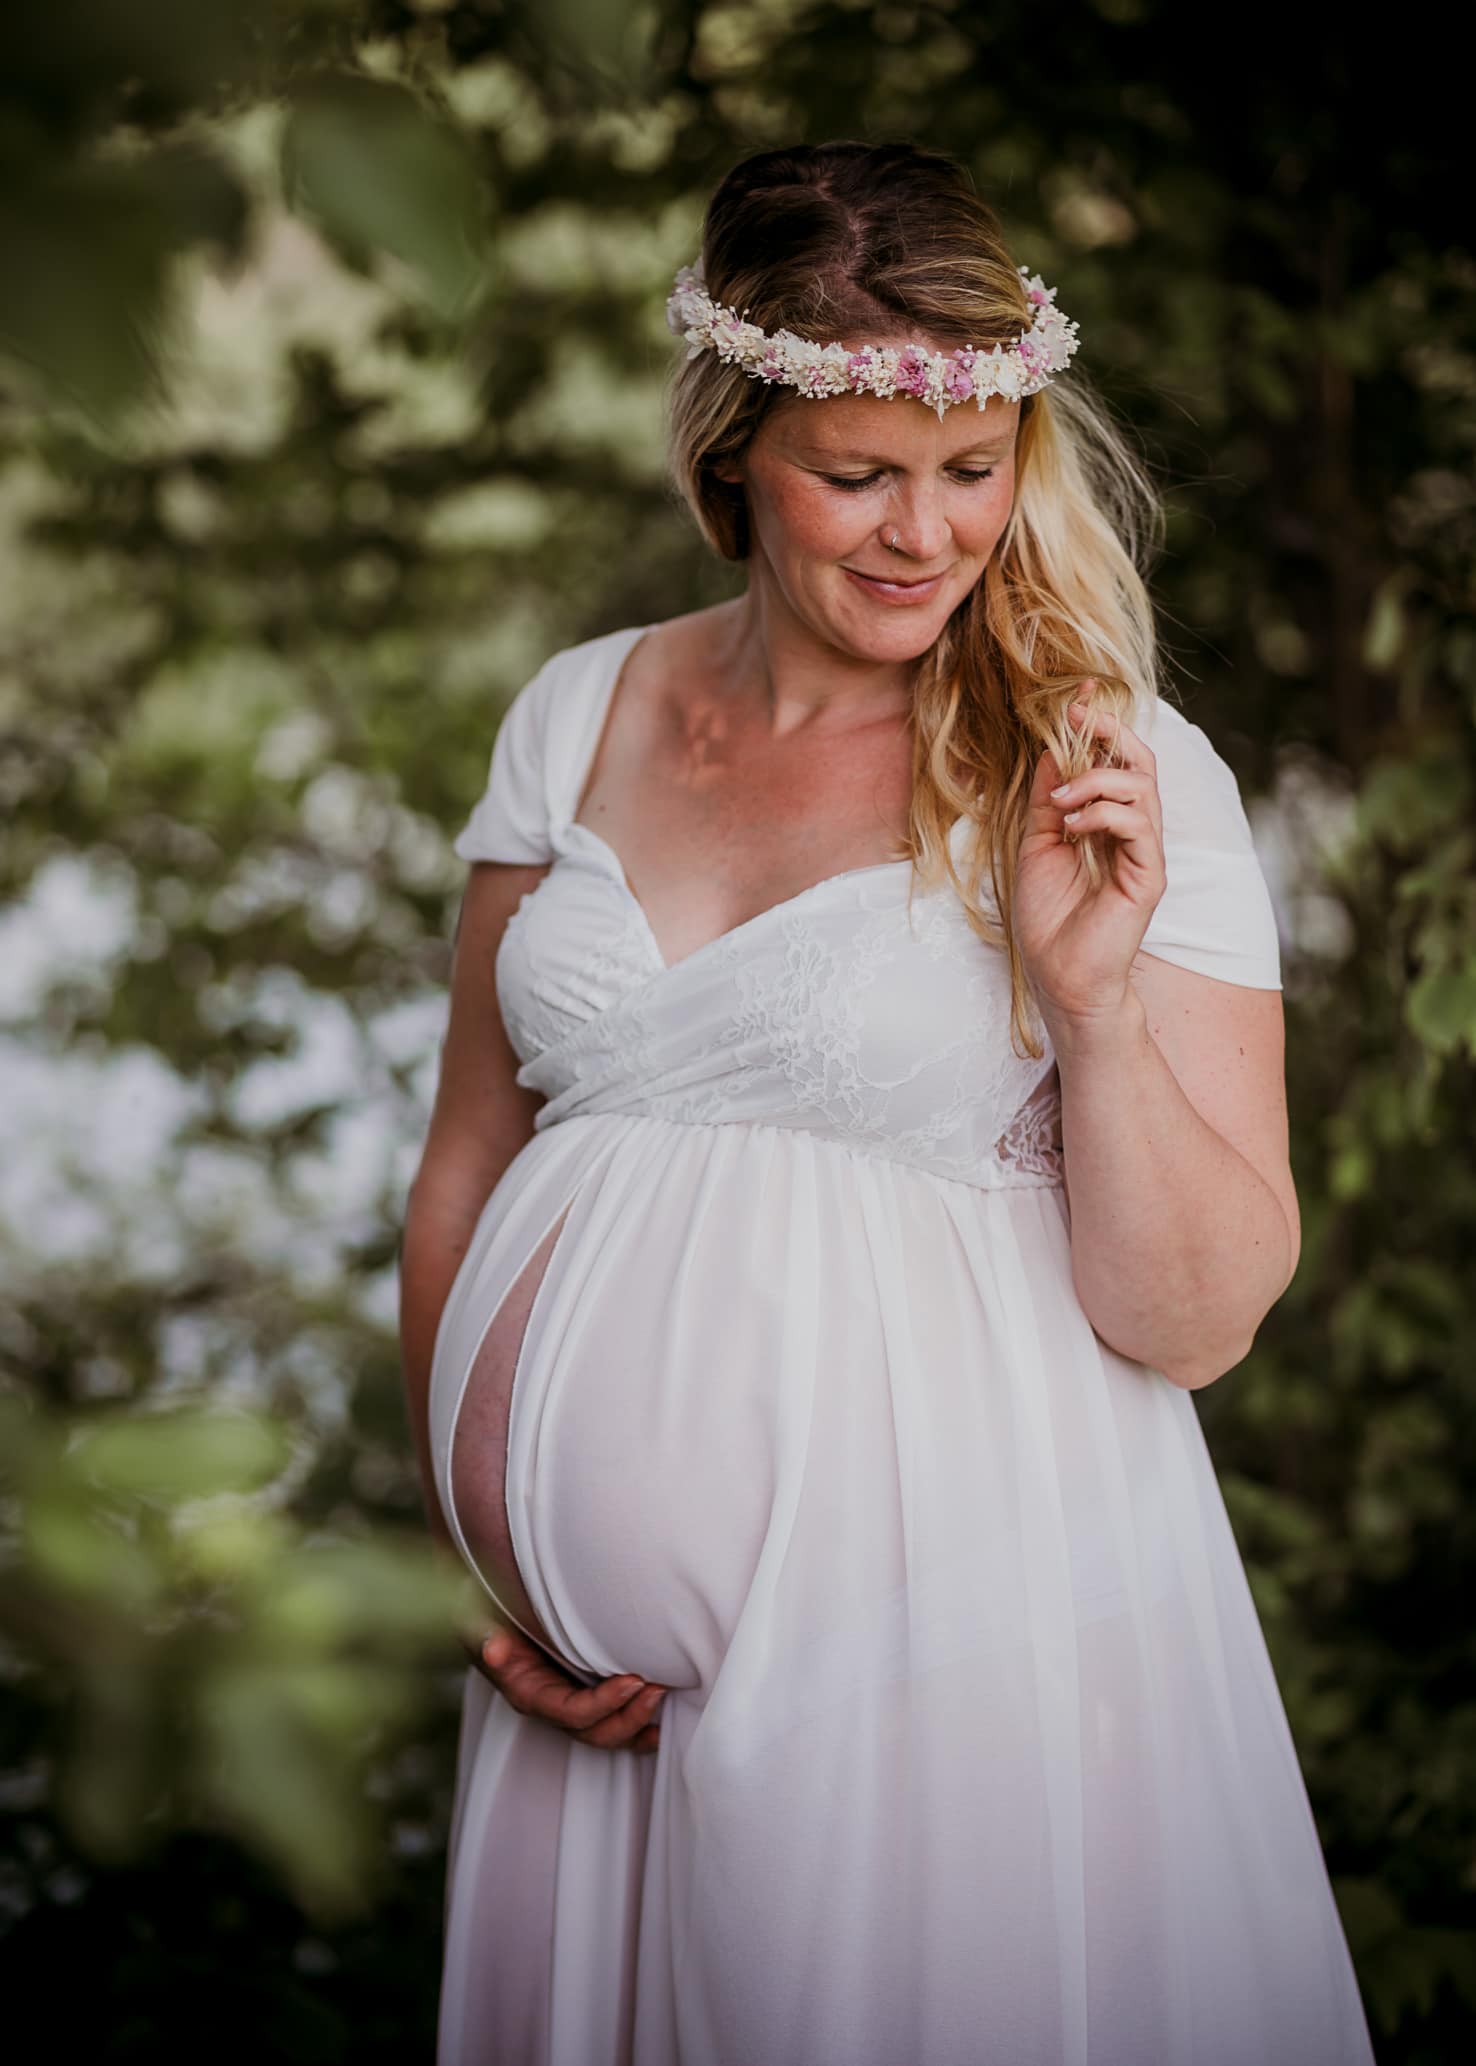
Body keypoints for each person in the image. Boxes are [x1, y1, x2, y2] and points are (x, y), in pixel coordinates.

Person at [399, 139, 1377, 2066]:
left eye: (970, 467)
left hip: (951, 1632)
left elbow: (1195, 1316)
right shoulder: (573, 714)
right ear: (731, 450)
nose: (925, 533)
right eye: (857, 473)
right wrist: (487, 1551)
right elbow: (465, 1167)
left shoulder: (1111, 767)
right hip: (577, 1707)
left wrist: (1092, 1004)